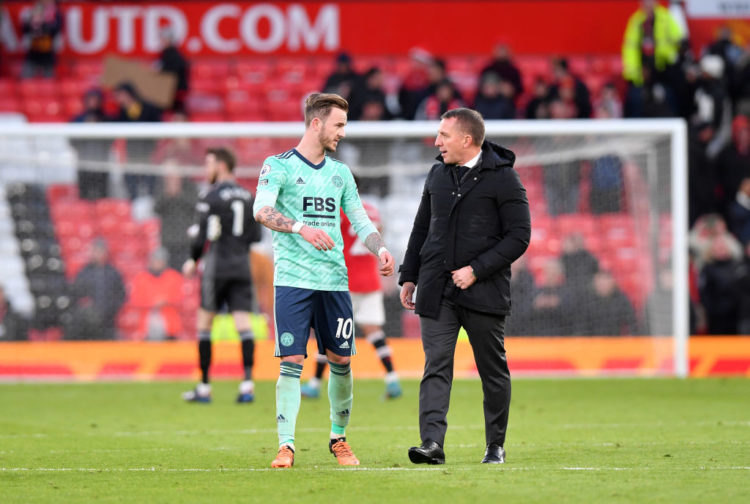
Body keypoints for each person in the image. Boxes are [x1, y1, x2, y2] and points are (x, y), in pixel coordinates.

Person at [252, 93, 395, 468]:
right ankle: (286, 445)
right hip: (293, 281)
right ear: (316, 124)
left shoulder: (340, 173)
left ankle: (339, 438)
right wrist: (301, 228)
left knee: (341, 359)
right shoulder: (277, 166)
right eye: (339, 125)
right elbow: (261, 210)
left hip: (334, 281)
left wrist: (379, 246)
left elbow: (360, 219)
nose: (342, 133)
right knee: (293, 358)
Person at [398, 108, 530, 465]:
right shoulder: (437, 174)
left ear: (467, 140)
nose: (437, 141)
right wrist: (409, 275)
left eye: (444, 135)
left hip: (484, 292)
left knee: (492, 370)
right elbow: (421, 228)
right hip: (436, 288)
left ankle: (495, 446)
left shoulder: (505, 179)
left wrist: (476, 269)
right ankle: (432, 444)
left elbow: (520, 237)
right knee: (436, 365)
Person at [181, 147, 261, 404]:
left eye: (209, 163)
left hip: (217, 266)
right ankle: (247, 384)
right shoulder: (249, 196)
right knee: (244, 325)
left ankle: (204, 388)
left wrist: (193, 260)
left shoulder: (211, 196)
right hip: (241, 265)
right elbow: (256, 236)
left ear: (222, 166)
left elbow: (201, 234)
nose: (207, 169)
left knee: (205, 324)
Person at [300, 202, 402, 400]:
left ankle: (314, 384)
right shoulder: (372, 209)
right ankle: (392, 379)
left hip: (344, 279)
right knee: (374, 332)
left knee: (327, 330)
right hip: (370, 280)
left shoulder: (338, 211)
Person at [67, 239, 126, 340]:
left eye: (100, 251)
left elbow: (121, 295)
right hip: (87, 321)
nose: (97, 254)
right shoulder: (84, 272)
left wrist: (109, 309)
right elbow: (76, 294)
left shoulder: (113, 273)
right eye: (95, 251)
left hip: (108, 320)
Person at [112, 82, 163, 199]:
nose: (118, 99)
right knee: (131, 186)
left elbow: (159, 131)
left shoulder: (149, 108)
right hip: (132, 157)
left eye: (120, 95)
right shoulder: (123, 113)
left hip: (149, 156)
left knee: (151, 188)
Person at [130, 247, 184, 340]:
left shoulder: (174, 277)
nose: (157, 263)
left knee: (169, 352)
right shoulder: (141, 278)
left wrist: (165, 301)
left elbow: (180, 298)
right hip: (147, 325)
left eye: (160, 261)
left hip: (169, 324)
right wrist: (152, 302)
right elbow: (135, 300)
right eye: (155, 260)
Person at [153, 163, 198, 270]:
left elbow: (195, 205)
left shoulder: (190, 187)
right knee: (169, 273)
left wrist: (179, 194)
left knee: (185, 271)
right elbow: (156, 208)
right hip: (168, 239)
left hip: (185, 240)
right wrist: (168, 194)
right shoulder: (162, 187)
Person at [70, 88, 112, 200]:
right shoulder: (78, 120)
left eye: (96, 99)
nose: (93, 102)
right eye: (91, 99)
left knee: (102, 196)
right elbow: (72, 140)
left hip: (102, 163)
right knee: (84, 196)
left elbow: (111, 140)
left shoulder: (106, 120)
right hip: (84, 163)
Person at [20, 0, 63, 79]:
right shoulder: (31, 13)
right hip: (32, 55)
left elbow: (56, 29)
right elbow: (24, 29)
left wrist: (42, 27)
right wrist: (33, 24)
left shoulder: (56, 15)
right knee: (26, 79)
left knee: (48, 83)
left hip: (48, 55)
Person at [154, 28, 190, 113]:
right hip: (170, 91)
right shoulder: (166, 54)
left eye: (163, 39)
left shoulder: (174, 56)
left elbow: (171, 73)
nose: (162, 41)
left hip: (174, 92)